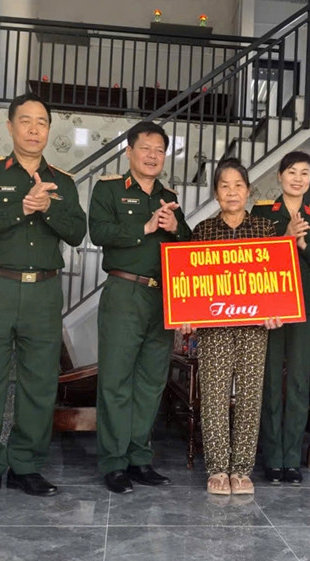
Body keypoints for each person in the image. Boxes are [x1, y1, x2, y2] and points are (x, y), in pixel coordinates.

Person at [0, 93, 86, 502]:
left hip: (44, 291)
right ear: (10, 127)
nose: (33, 129)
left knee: (39, 383)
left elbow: (76, 232)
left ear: (49, 130)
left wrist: (47, 208)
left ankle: (26, 465)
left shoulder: (63, 181)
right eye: (25, 121)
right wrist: (22, 208)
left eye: (41, 122)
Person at [89, 121, 192, 494]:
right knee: (116, 380)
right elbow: (98, 232)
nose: (152, 155)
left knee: (151, 382)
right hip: (124, 292)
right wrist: (144, 229)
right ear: (129, 151)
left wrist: (176, 227)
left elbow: (189, 247)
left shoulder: (169, 196)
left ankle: (139, 458)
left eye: (159, 150)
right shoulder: (109, 189)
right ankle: (114, 462)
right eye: (146, 148)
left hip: (162, 298)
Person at [185, 159, 281, 496]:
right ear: (216, 193)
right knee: (214, 394)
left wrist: (276, 310)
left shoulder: (265, 229)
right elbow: (191, 280)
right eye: (224, 186)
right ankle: (217, 468)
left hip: (254, 325)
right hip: (215, 326)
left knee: (250, 396)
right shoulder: (203, 231)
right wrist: (187, 313)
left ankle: (241, 469)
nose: (231, 192)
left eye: (238, 185)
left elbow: (275, 277)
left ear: (248, 191)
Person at [251, 151, 310, 485]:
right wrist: (284, 237)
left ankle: (291, 459)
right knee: (271, 382)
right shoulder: (261, 213)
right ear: (279, 176)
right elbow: (252, 257)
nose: (297, 178)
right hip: (270, 305)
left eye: (304, 173)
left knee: (299, 382)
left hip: (307, 306)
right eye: (291, 172)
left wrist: (303, 245)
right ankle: (273, 459)